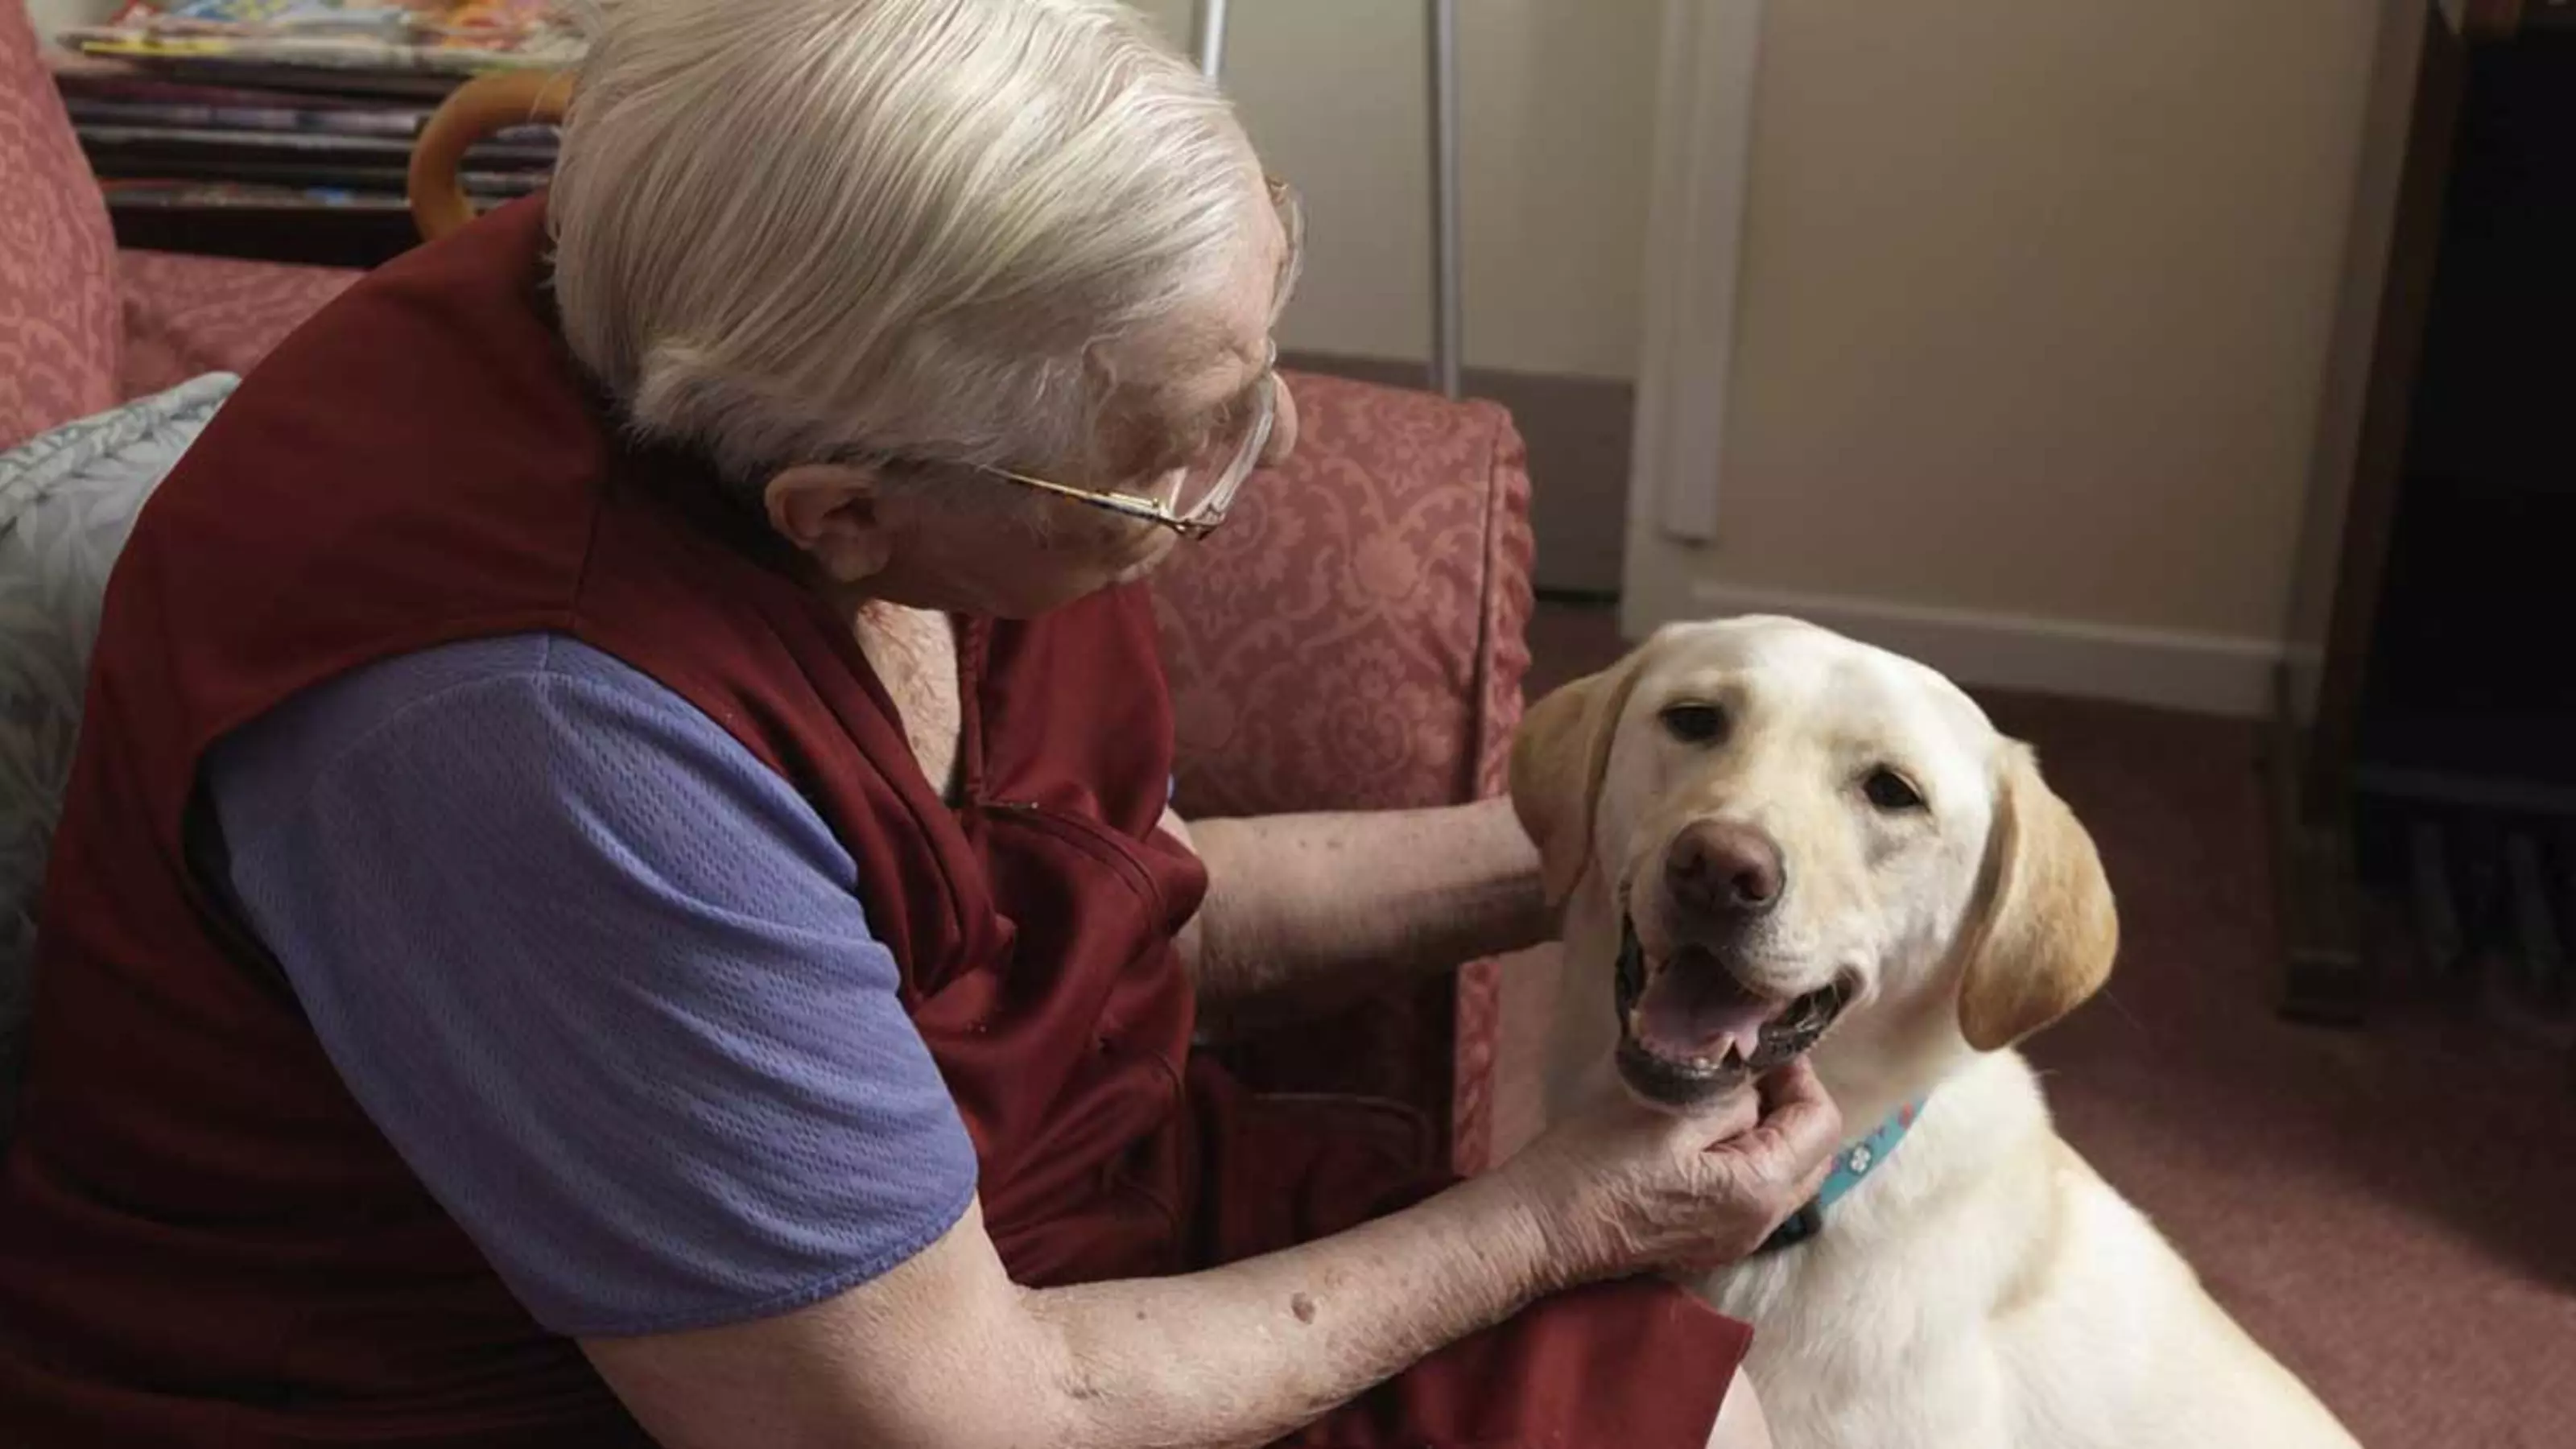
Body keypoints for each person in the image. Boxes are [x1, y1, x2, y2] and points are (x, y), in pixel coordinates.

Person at [0, 2, 1842, 1445]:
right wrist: (1553, 1216)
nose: (1255, 464)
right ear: (844, 518)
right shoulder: (535, 735)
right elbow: (944, 1420)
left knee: (1689, 1400)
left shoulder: (776, 257)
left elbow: (1072, 896)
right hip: (638, 1386)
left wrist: (1605, 846)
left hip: (1007, 1214)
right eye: (1173, 455)